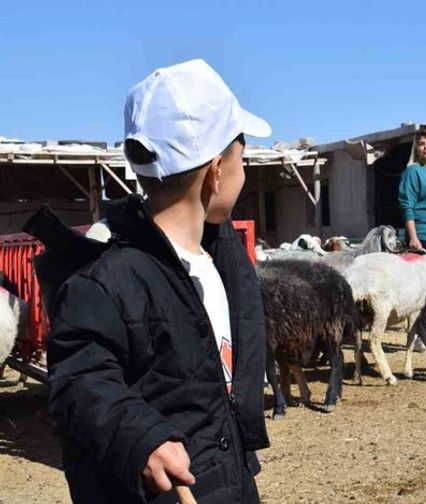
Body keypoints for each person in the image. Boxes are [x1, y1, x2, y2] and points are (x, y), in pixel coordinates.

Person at [47, 59, 271, 504]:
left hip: (229, 481)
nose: (244, 171)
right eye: (242, 156)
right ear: (217, 171)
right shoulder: (107, 282)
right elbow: (81, 377)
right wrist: (140, 437)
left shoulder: (223, 261)